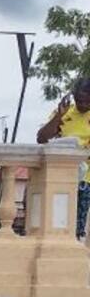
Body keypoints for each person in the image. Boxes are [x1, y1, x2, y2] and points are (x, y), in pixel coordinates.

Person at [36, 77, 90, 239]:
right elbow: (42, 138)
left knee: (75, 229)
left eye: (88, 102)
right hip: (58, 176)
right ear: (73, 96)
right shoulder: (64, 112)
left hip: (84, 180)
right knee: (53, 222)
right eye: (80, 100)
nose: (83, 105)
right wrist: (58, 116)